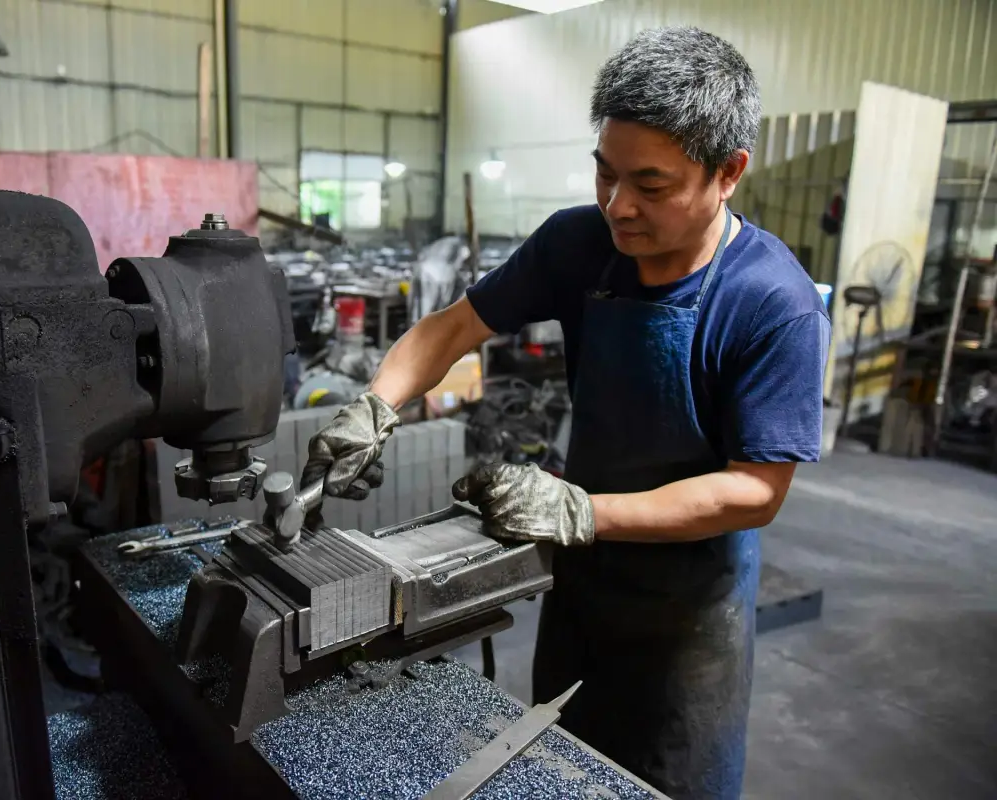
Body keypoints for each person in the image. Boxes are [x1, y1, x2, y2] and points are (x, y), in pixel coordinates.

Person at [301, 26, 830, 800]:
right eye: (604, 173)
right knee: (559, 768)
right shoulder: (579, 246)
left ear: (729, 173)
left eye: (651, 186)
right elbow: (453, 327)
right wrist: (376, 404)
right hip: (581, 582)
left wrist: (578, 507)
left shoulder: (771, 303)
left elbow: (756, 490)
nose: (618, 206)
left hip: (687, 616)